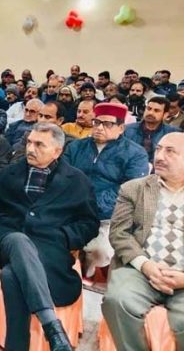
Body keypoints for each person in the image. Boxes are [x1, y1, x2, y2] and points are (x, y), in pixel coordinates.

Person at [0, 123, 100, 351]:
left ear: (57, 151)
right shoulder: (10, 172)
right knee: (18, 240)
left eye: (39, 144)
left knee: (12, 276)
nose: (30, 148)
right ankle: (52, 326)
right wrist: (2, 224)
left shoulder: (77, 181)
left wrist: (64, 236)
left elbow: (89, 224)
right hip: (8, 239)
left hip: (49, 247)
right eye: (29, 142)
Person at [102, 132, 184, 350]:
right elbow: (119, 233)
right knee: (117, 300)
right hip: (139, 270)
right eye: (158, 149)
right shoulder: (135, 188)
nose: (159, 156)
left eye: (170, 151)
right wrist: (145, 265)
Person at [63, 103, 149, 276]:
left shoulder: (135, 153)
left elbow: (128, 190)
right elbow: (63, 176)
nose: (99, 128)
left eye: (107, 124)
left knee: (100, 251)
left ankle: (90, 279)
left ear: (121, 128)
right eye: (96, 122)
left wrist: (92, 204)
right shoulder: (76, 147)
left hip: (107, 216)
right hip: (71, 208)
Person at [125, 96, 181, 162]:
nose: (150, 113)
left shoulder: (173, 134)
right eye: (149, 109)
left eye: (156, 111)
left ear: (165, 115)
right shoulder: (127, 130)